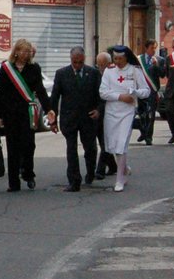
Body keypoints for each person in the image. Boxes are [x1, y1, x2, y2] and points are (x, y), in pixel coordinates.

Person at [0, 39, 51, 192]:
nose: (26, 55)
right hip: (10, 113)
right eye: (23, 51)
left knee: (28, 145)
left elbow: (40, 90)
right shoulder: (6, 69)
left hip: (27, 112)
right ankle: (13, 182)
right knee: (12, 146)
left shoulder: (34, 68)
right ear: (16, 52)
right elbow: (0, 93)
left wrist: (49, 109)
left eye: (28, 52)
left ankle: (28, 173)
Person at [47, 46, 102, 191]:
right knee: (71, 149)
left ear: (84, 59)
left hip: (88, 118)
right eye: (75, 62)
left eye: (80, 62)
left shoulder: (94, 73)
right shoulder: (61, 74)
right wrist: (53, 119)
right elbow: (55, 97)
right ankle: (74, 180)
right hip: (69, 118)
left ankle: (90, 172)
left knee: (89, 148)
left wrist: (98, 110)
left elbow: (101, 95)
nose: (77, 65)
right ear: (71, 59)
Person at [98, 47, 150, 192]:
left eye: (120, 59)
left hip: (127, 112)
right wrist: (120, 97)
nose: (118, 62)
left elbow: (146, 91)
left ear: (126, 58)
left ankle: (120, 179)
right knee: (112, 145)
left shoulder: (135, 71)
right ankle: (124, 167)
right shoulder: (109, 71)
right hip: (111, 112)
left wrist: (135, 92)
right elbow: (103, 92)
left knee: (121, 144)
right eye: (115, 59)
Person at [91, 50, 117, 179]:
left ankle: (100, 170)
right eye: (98, 64)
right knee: (103, 141)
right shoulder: (94, 74)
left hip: (109, 112)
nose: (100, 66)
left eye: (103, 64)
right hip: (97, 113)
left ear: (109, 63)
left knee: (105, 142)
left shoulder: (114, 75)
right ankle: (112, 166)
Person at [135, 40, 160, 146]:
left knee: (151, 115)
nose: (154, 50)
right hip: (141, 91)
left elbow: (163, 74)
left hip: (153, 91)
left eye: (155, 48)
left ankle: (149, 137)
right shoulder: (138, 60)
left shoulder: (159, 60)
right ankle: (144, 132)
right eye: (152, 48)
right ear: (146, 48)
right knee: (142, 114)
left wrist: (157, 66)